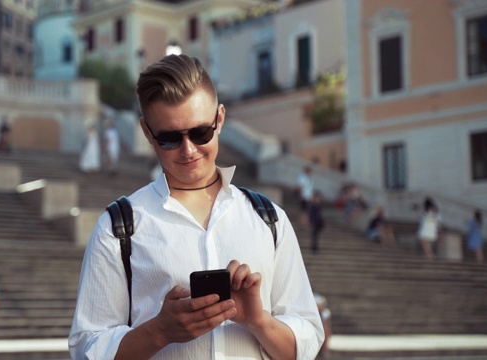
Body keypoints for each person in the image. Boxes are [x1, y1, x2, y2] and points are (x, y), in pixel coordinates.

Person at [69, 55, 324, 359]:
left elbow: (306, 345)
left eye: (201, 132)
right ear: (147, 132)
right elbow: (87, 349)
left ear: (220, 118)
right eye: (169, 139)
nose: (188, 150)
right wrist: (159, 331)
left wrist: (258, 321)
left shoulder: (269, 219)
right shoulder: (118, 228)